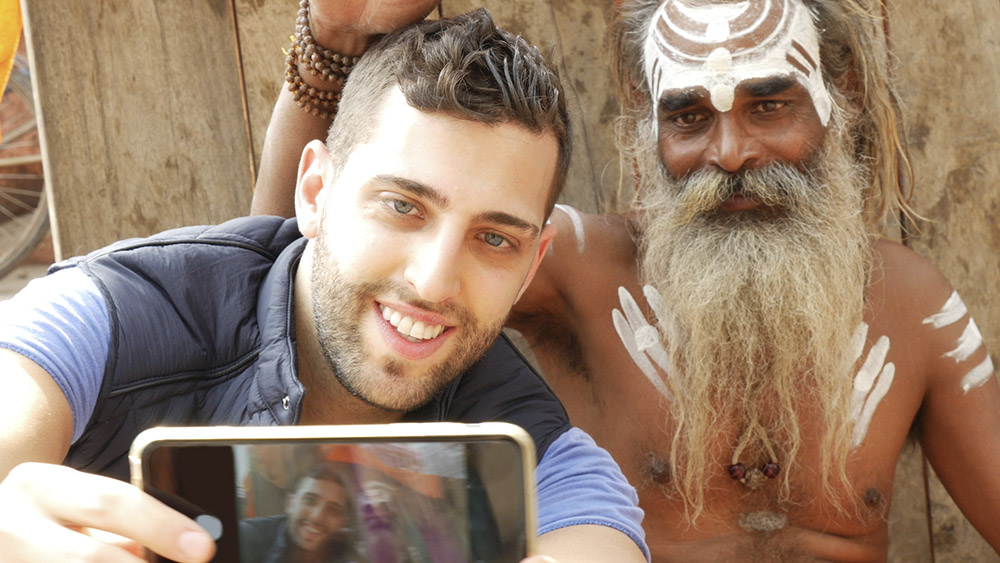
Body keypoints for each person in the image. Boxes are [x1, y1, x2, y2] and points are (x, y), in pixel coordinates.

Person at [249, 0, 1000, 560]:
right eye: (689, 117)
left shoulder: (915, 308)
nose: (731, 151)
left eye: (770, 105)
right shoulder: (580, 271)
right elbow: (295, 274)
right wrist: (329, 46)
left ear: (841, 100)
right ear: (649, 128)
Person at [0, 9, 649, 563]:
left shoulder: (541, 455)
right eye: (402, 206)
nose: (432, 280)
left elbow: (595, 537)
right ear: (315, 192)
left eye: (495, 239)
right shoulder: (111, 314)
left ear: (531, 267)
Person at [240, 462, 361, 563]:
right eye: (310, 500)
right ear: (290, 503)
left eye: (333, 509)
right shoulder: (247, 538)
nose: (317, 516)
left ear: (342, 522)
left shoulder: (349, 555)